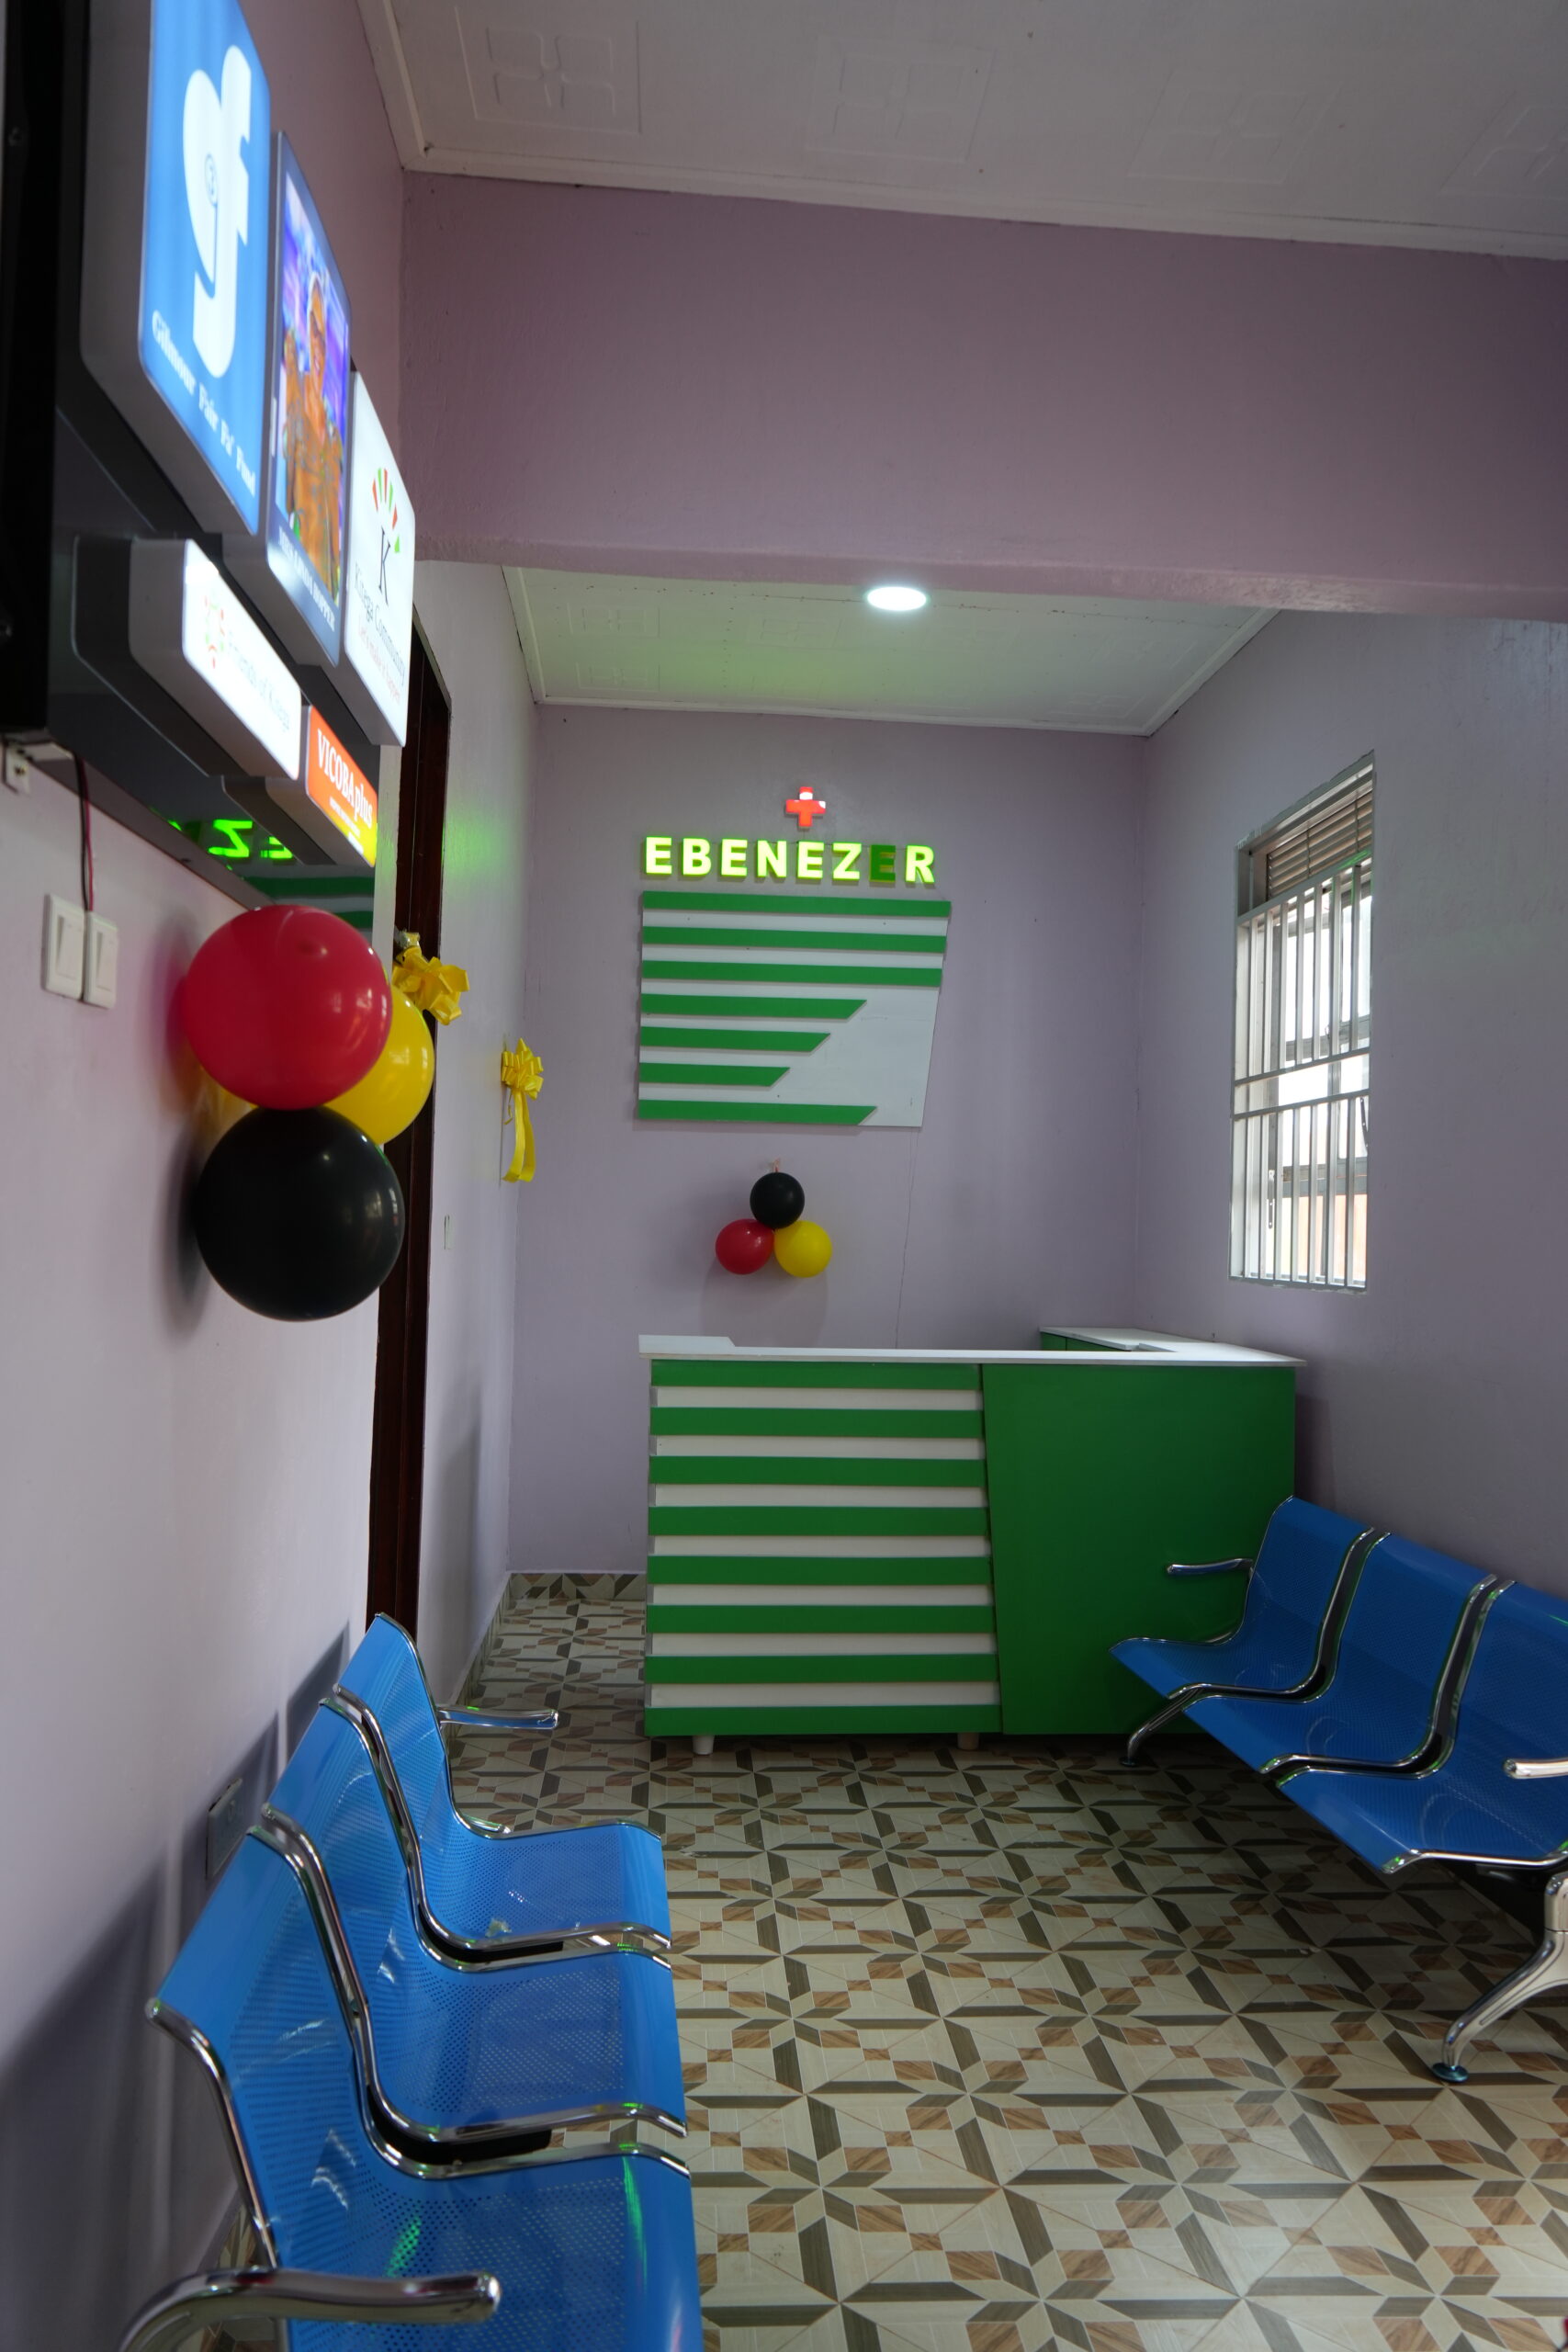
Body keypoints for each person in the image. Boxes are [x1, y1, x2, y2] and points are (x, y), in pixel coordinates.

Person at [283, 274, 344, 598]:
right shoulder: (295, 391)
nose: (318, 343)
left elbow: (336, 542)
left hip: (323, 598)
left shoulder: (334, 438)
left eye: (323, 335)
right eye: (314, 330)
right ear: (307, 330)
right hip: (290, 581)